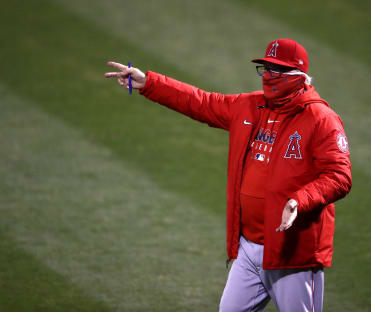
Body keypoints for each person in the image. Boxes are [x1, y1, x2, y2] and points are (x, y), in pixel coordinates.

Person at [105, 38, 352, 312]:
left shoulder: (321, 119)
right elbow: (199, 102)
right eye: (265, 68)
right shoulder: (248, 106)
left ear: (298, 75)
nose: (268, 76)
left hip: (291, 253)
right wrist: (149, 83)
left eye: (276, 70)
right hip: (248, 248)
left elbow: (339, 176)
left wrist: (299, 200)